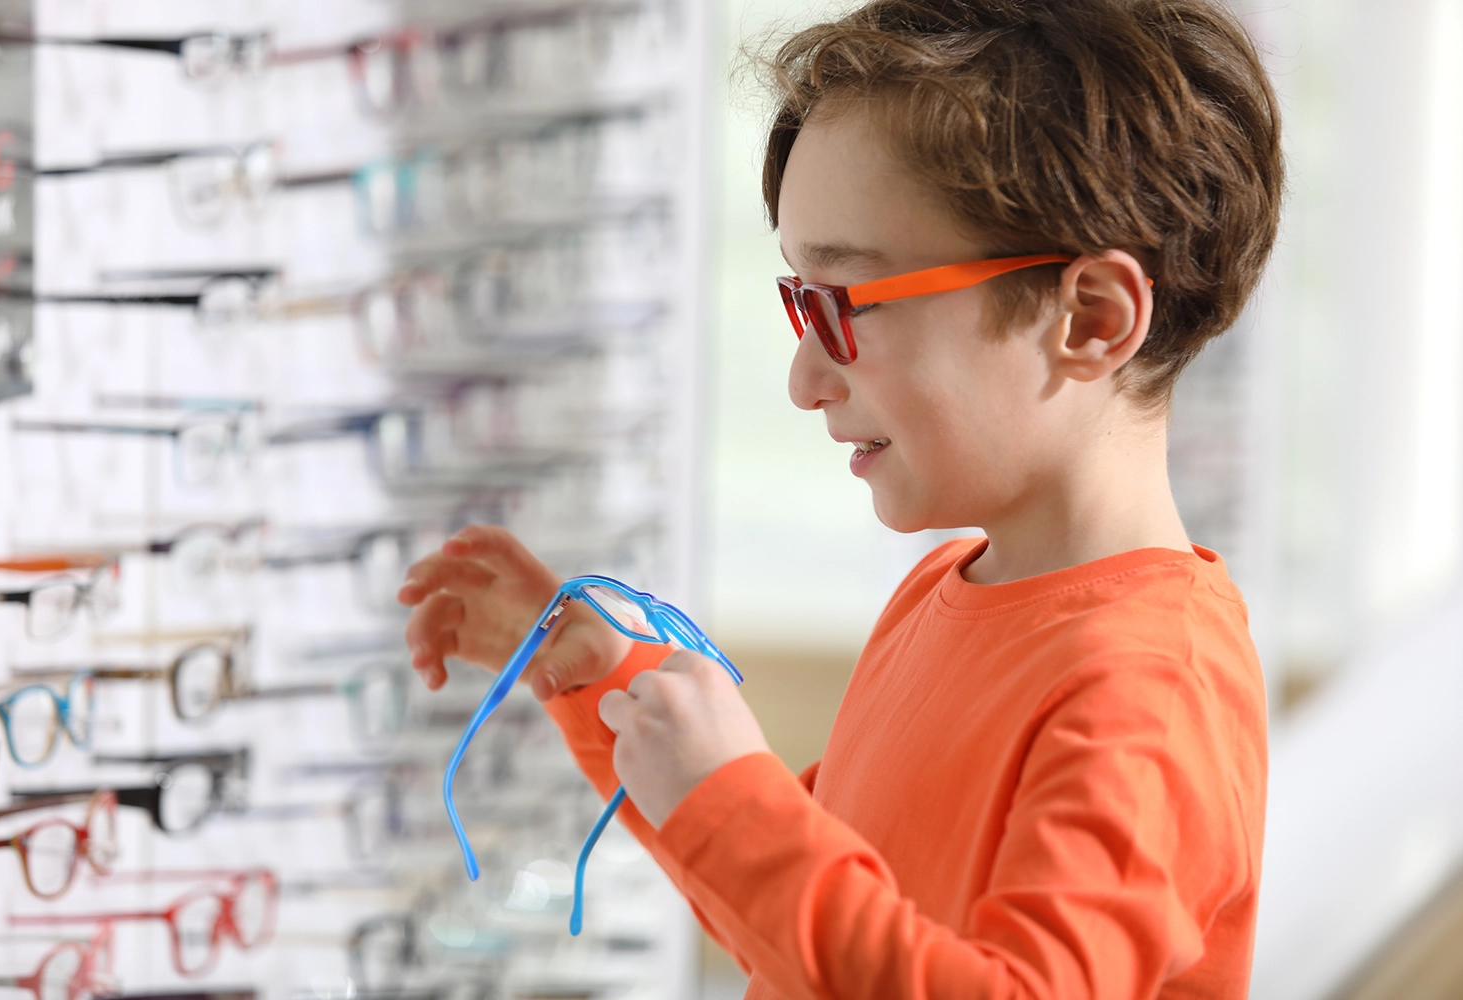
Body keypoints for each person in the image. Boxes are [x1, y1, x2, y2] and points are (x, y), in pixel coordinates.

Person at [398, 0, 1282, 995]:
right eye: (796, 302)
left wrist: (725, 798)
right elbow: (816, 923)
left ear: (1091, 316)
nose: (805, 377)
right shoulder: (942, 590)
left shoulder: (1153, 687)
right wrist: (604, 680)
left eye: (845, 304)